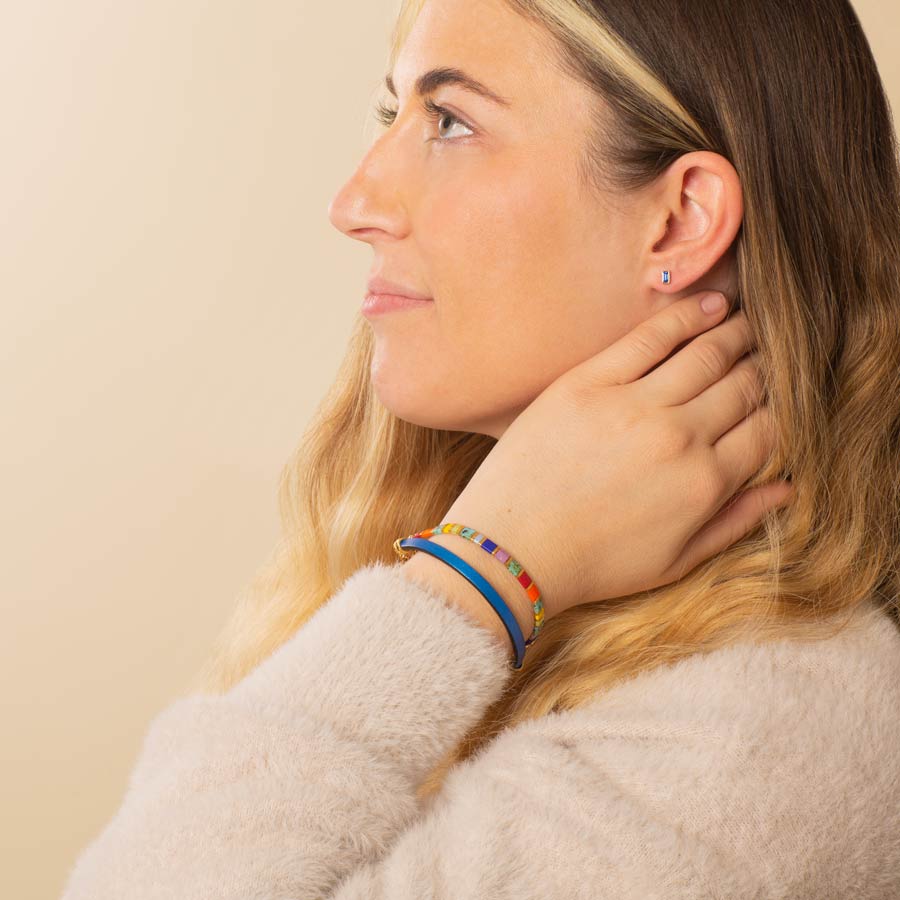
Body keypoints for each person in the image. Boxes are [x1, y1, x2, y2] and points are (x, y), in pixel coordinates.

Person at [60, 0, 900, 897]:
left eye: (452, 121)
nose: (355, 204)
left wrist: (481, 574)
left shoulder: (762, 736)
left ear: (681, 218)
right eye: (396, 114)